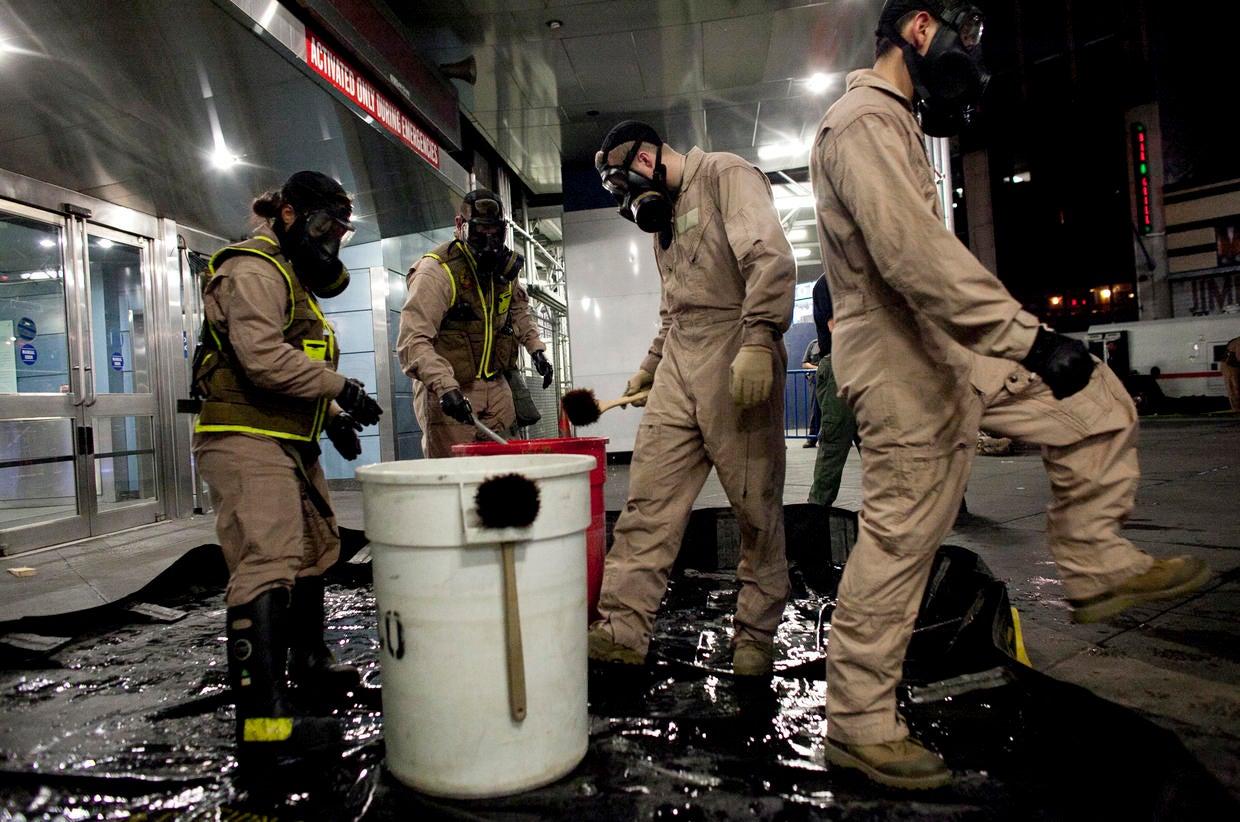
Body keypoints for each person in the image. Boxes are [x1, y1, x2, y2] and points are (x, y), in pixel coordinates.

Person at [808, 1, 1213, 790]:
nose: (974, 57)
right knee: (900, 543)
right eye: (965, 37)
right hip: (899, 358)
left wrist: (1019, 343)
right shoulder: (860, 122)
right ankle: (857, 726)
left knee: (1093, 403)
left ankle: (1094, 563)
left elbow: (928, 267)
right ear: (919, 28)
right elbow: (915, 257)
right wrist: (1027, 337)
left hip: (946, 345)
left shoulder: (898, 125)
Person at [586, 120, 797, 676]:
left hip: (737, 349)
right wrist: (651, 368)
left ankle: (754, 635)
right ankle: (620, 631)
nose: (627, 197)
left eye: (622, 181)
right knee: (647, 503)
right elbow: (674, 309)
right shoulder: (664, 222)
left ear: (647, 157)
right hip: (681, 359)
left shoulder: (726, 174)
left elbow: (769, 259)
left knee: (755, 507)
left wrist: (758, 339)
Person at [190, 171, 385, 762]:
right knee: (267, 560)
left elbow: (289, 357)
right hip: (244, 437)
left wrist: (327, 416)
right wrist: (341, 388)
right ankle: (265, 722)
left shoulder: (289, 275)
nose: (330, 243)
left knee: (313, 549)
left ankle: (310, 663)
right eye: (323, 227)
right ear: (291, 215)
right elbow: (262, 360)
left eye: (340, 234)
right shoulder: (253, 268)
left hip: (285, 437)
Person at [396, 189, 553, 457]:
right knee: (455, 479)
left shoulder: (504, 270)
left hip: (497, 385)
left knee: (507, 473)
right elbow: (413, 342)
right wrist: (445, 388)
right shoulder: (437, 272)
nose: (490, 240)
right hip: (451, 391)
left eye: (496, 232)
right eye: (481, 231)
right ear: (461, 225)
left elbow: (518, 310)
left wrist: (536, 349)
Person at [806, 273, 860, 509]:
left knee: (879, 442)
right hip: (841, 365)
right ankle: (816, 510)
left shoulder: (857, 276)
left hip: (864, 364)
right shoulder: (827, 283)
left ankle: (890, 507)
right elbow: (837, 327)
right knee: (834, 442)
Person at [801, 336, 821, 447]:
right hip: (815, 381)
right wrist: (817, 368)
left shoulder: (834, 341)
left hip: (832, 381)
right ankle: (812, 438)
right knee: (815, 409)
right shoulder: (813, 344)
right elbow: (804, 363)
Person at [1223, 336, 1240, 413]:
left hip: (1232, 366)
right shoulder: (1238, 342)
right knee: (1235, 389)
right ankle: (1237, 410)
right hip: (1231, 367)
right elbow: (1239, 357)